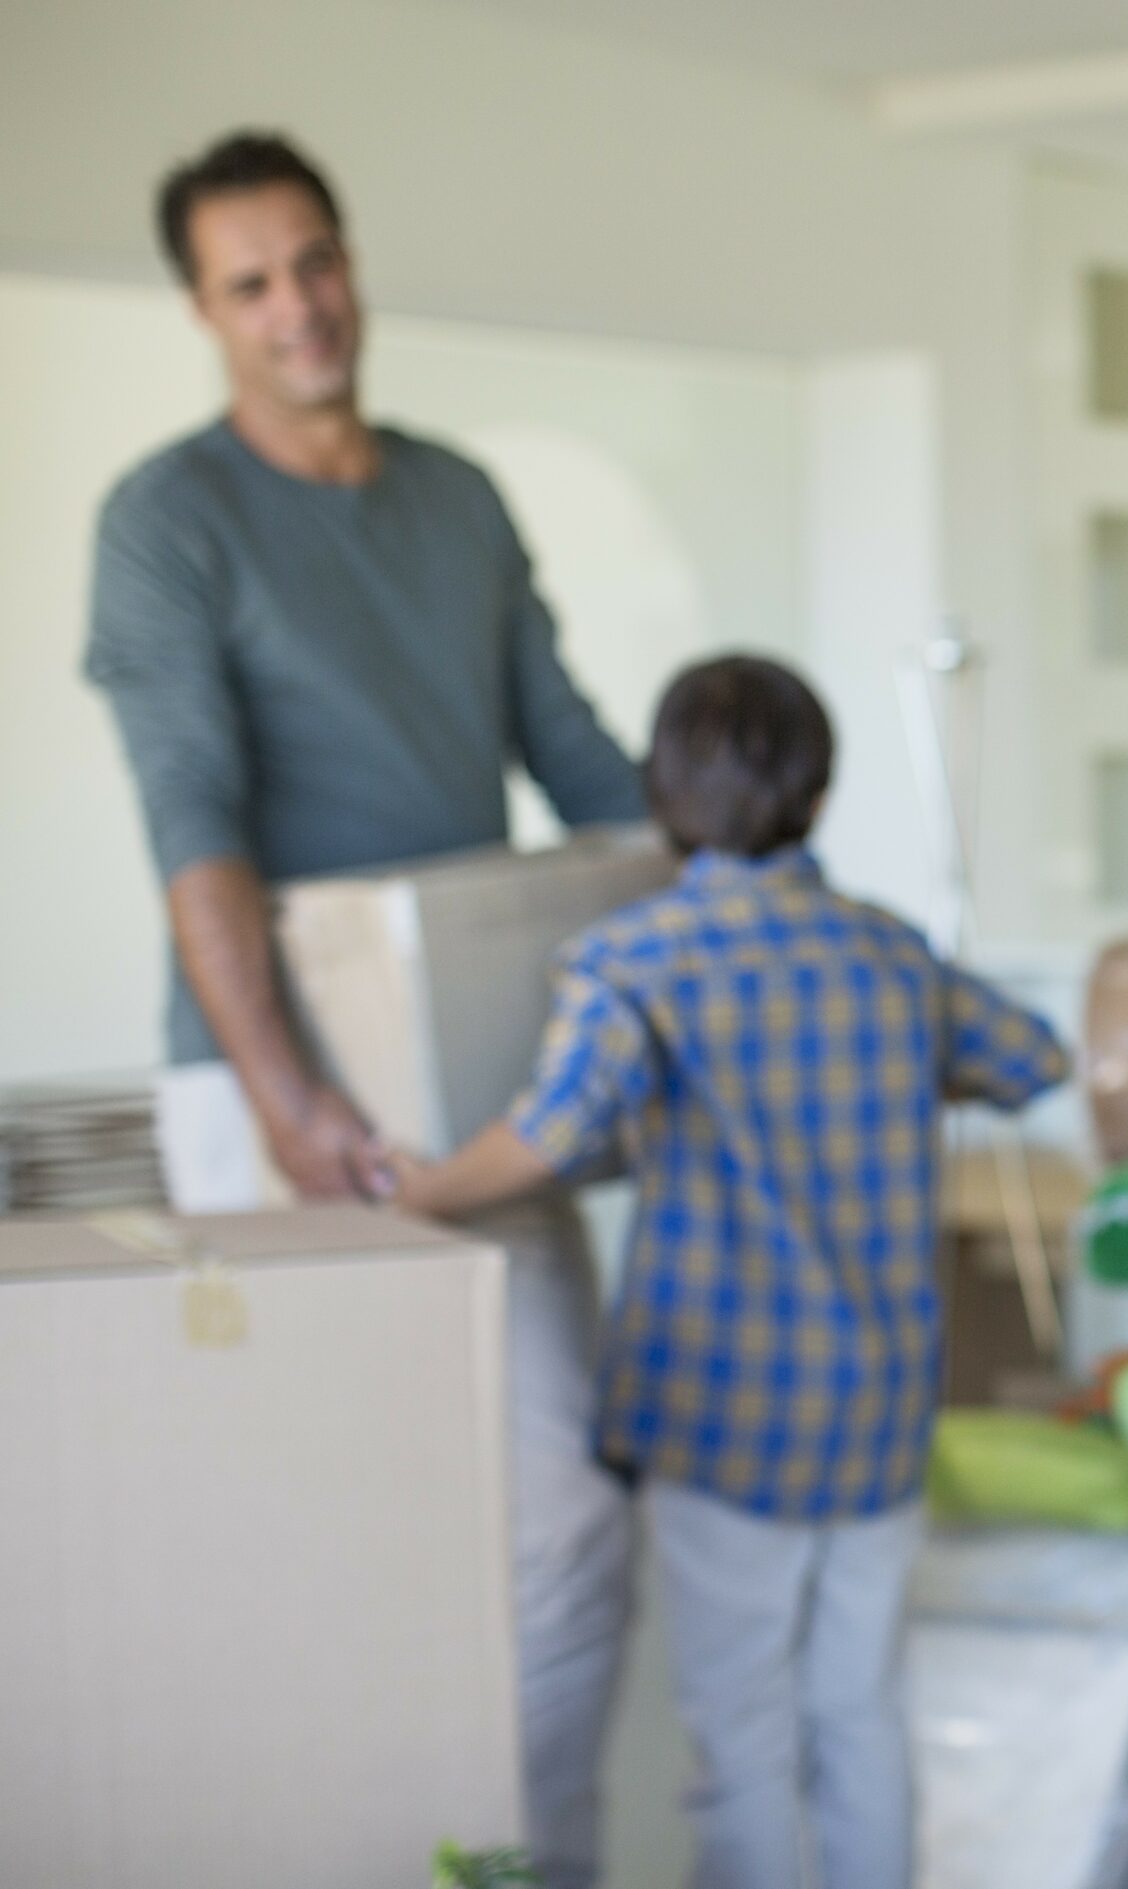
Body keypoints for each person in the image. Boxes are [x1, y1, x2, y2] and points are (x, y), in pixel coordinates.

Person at [82, 131, 650, 1889]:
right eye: (251, 282)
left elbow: (579, 762)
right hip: (260, 1093)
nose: (298, 306)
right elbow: (197, 822)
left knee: (562, 1510)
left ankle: (518, 1858)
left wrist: (757, 899)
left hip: (479, 1094)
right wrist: (278, 1096)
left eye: (313, 261)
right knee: (295, 1523)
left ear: (349, 260)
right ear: (203, 309)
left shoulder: (457, 495)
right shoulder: (168, 520)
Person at [388, 654, 1071, 1889]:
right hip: (872, 1420)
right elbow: (1031, 1057)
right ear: (818, 792)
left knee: (741, 1737)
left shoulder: (633, 961)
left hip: (719, 1423)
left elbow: (546, 1134)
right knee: (859, 1715)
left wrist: (413, 1189)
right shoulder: (890, 953)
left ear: (663, 793)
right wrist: (909, 1064)